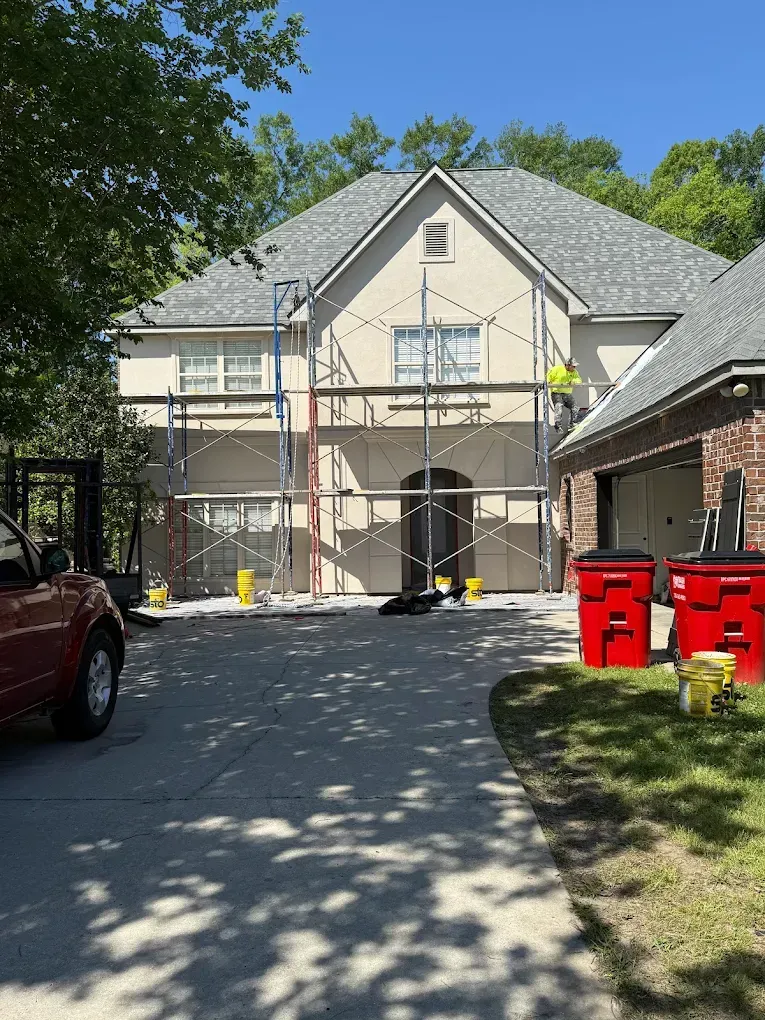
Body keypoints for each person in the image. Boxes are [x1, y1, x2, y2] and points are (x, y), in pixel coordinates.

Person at [546, 356, 582, 434]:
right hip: (557, 392)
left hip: (566, 393)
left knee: (575, 407)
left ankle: (572, 424)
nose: (574, 368)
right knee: (559, 407)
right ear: (567, 365)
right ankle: (558, 426)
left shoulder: (574, 372)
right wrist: (548, 382)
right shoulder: (557, 369)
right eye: (573, 366)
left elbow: (579, 380)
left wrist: (574, 381)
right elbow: (548, 378)